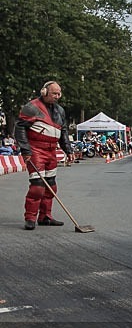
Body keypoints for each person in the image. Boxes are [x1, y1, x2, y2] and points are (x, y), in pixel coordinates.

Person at [15, 80, 74, 230]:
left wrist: (68, 150)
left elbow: (64, 132)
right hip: (36, 150)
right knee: (37, 186)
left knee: (51, 185)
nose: (57, 96)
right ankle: (30, 218)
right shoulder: (31, 107)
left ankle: (45, 216)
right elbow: (20, 128)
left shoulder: (60, 110)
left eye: (59, 93)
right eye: (54, 93)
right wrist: (26, 150)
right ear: (44, 92)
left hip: (51, 151)